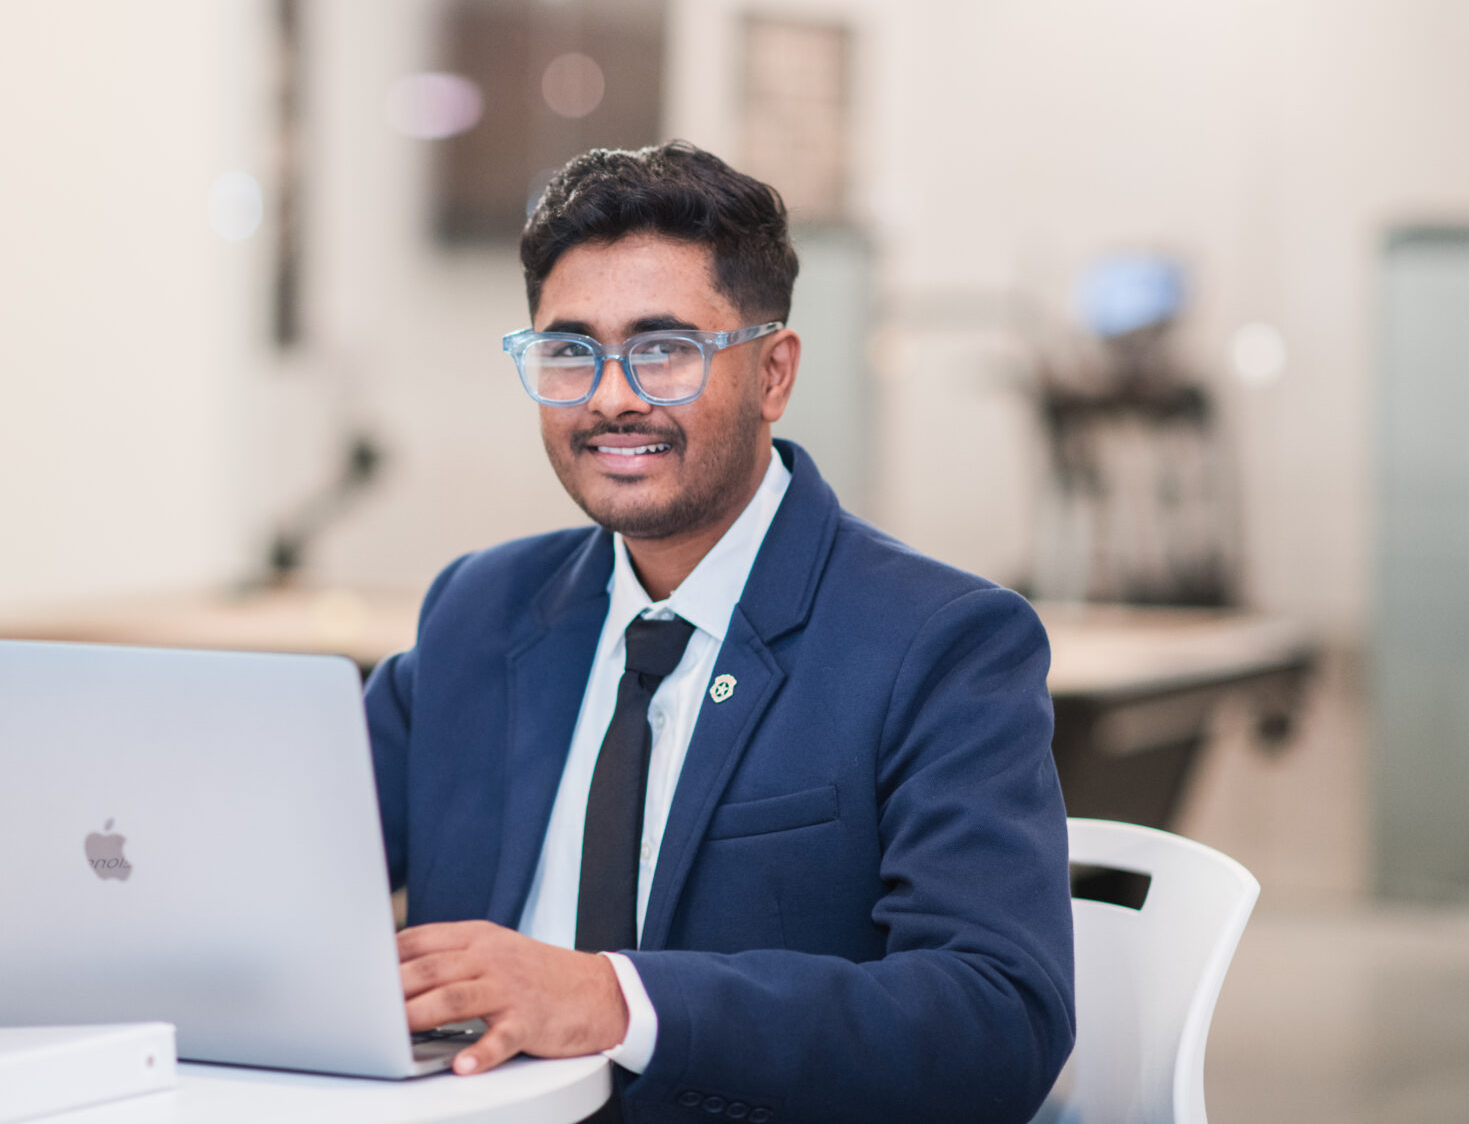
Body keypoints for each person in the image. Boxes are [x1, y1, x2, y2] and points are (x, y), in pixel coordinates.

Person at [364, 142, 1073, 1124]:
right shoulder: (476, 614)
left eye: (662, 350)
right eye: (569, 352)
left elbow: (995, 1019)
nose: (611, 396)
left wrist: (614, 1001)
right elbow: (288, 878)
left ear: (772, 373)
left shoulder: (939, 644)